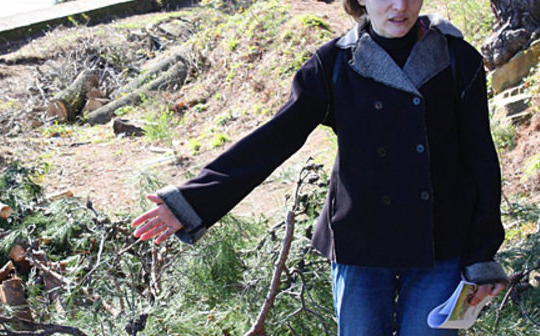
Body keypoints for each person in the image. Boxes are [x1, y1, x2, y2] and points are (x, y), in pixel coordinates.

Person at [131, 0, 509, 335]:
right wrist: (192, 202)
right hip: (361, 244)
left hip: (440, 243)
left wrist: (482, 254)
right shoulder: (334, 64)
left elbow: (480, 161)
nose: (399, 6)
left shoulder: (458, 59)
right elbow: (276, 138)